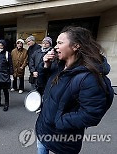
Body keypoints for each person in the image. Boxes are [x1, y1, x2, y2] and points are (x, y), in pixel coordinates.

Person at [35, 26, 114, 154]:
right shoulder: (58, 64)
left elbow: (91, 115)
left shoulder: (89, 78)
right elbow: (42, 86)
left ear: (76, 46)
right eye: (56, 43)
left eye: (60, 43)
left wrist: (58, 121)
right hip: (43, 130)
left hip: (63, 142)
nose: (55, 47)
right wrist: (45, 66)